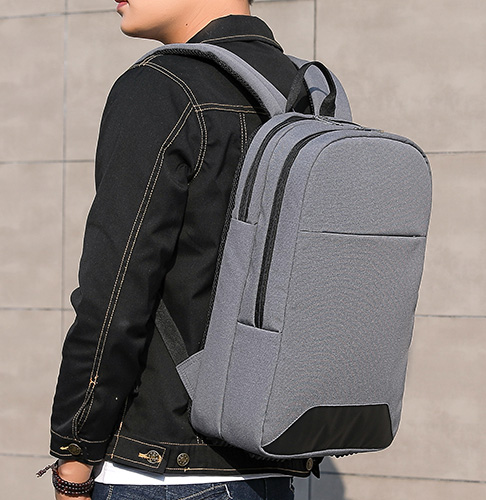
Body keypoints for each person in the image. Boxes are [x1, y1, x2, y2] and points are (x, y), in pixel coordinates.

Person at [45, 0, 315, 499]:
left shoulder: (163, 87)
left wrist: (74, 457)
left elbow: (115, 293)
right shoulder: (308, 92)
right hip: (270, 462)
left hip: (161, 469)